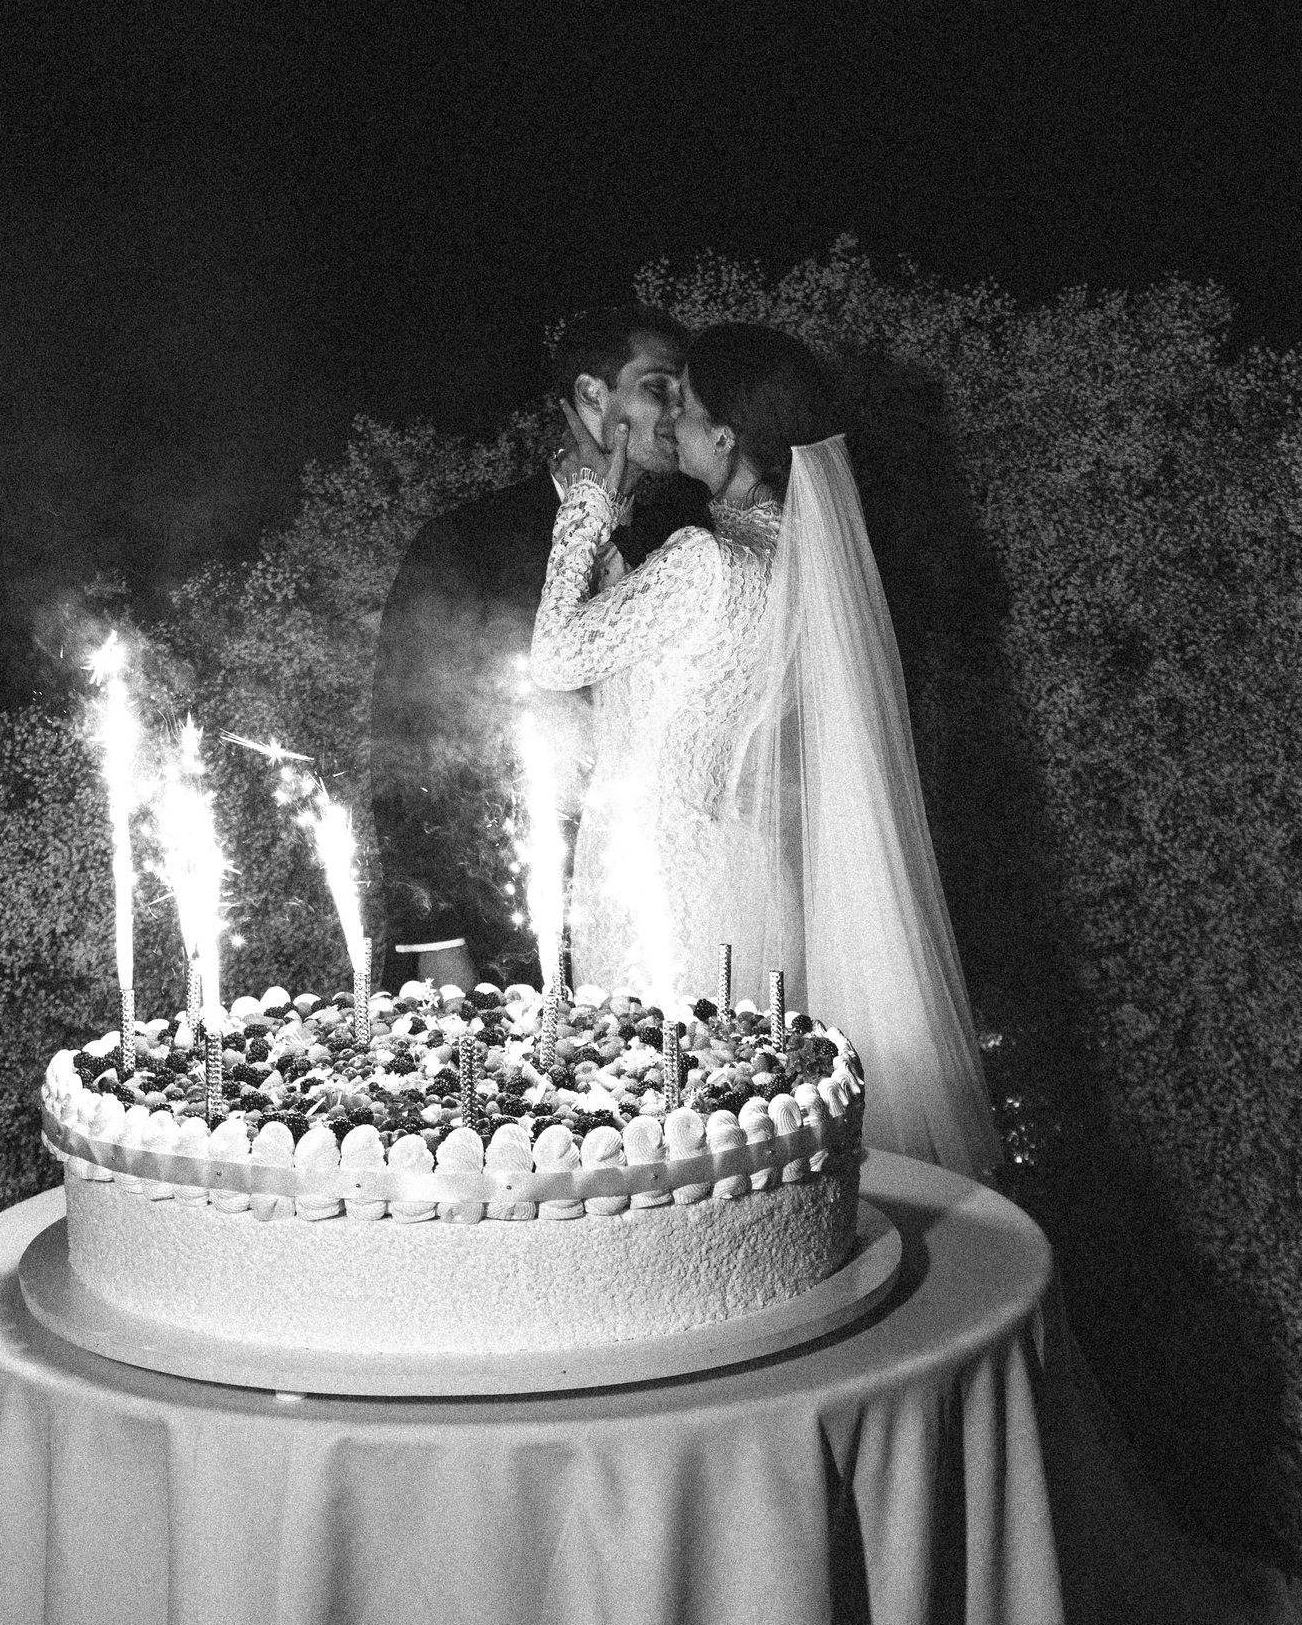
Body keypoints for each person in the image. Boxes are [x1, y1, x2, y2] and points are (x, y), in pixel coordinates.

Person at [531, 320, 1000, 1175]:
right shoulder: (792, 551)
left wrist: (583, 510)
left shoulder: (702, 558)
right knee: (737, 1120)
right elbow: (666, 669)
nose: (670, 418)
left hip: (657, 879)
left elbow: (558, 656)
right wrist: (612, 556)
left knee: (660, 1125)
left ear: (727, 437)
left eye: (688, 402)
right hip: (740, 867)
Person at [368, 309, 704, 983]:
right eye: (659, 387)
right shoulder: (465, 542)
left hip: (658, 918)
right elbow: (404, 743)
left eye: (686, 393)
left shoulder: (689, 542)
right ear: (592, 395)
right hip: (496, 933)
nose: (679, 411)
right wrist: (435, 939)